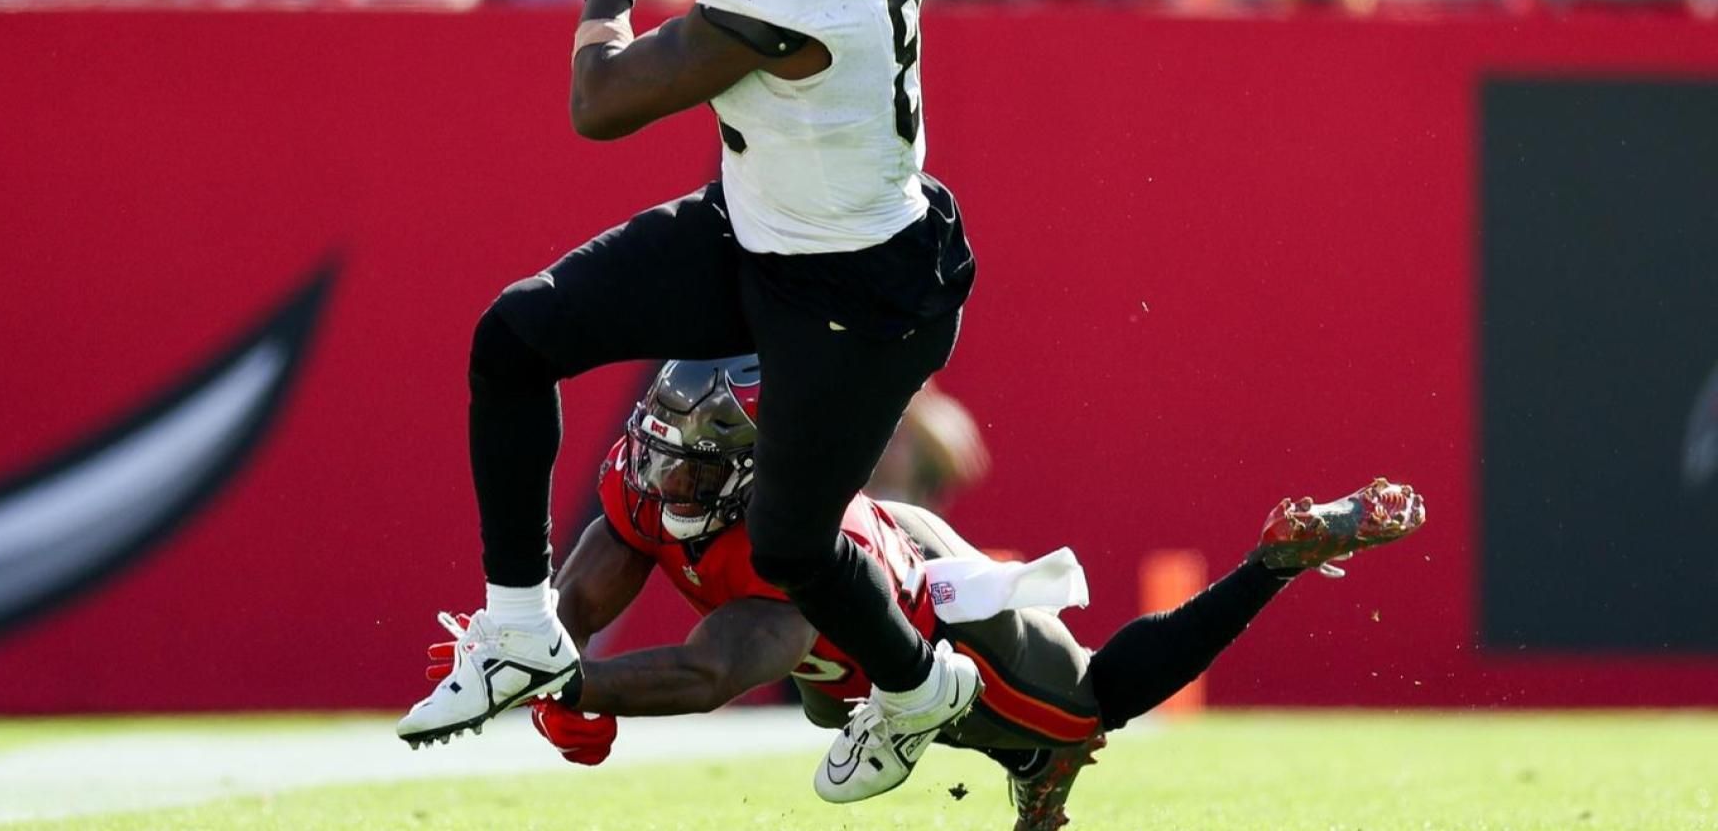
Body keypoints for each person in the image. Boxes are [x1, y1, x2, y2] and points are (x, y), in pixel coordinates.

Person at [395, 0, 1001, 804]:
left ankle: (919, 686)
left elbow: (601, 103)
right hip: (763, 226)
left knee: (795, 548)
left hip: (859, 290)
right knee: (516, 336)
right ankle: (517, 628)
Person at [422, 357, 1426, 831]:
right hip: (852, 655)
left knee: (1086, 707)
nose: (655, 477)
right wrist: (526, 652)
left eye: (688, 466)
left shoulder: (792, 555)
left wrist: (564, 691)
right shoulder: (654, 485)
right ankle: (1038, 779)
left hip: (937, 617)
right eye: (657, 449)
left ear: (746, 477)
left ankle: (1273, 564)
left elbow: (708, 669)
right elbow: (577, 603)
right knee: (857, 714)